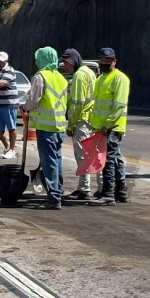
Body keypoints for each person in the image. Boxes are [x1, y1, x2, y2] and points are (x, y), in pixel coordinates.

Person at [22, 47, 69, 210]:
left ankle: (54, 198)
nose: (36, 61)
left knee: (49, 162)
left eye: (38, 58)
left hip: (46, 126)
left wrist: (25, 107)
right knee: (56, 160)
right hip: (60, 126)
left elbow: (33, 100)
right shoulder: (61, 78)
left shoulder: (40, 77)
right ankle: (58, 192)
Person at [88, 48, 131, 205]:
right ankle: (121, 192)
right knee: (116, 158)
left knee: (109, 160)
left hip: (111, 126)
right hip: (102, 127)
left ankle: (109, 194)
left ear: (114, 61)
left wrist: (108, 124)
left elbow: (119, 105)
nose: (105, 63)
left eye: (108, 60)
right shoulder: (101, 79)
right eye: (102, 60)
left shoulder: (120, 78)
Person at [61, 48, 101, 200]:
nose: (65, 66)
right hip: (92, 119)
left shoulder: (78, 76)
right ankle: (102, 187)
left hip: (82, 120)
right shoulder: (89, 72)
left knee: (82, 155)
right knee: (95, 154)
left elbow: (77, 103)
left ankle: (84, 189)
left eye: (66, 63)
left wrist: (71, 125)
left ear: (73, 61)